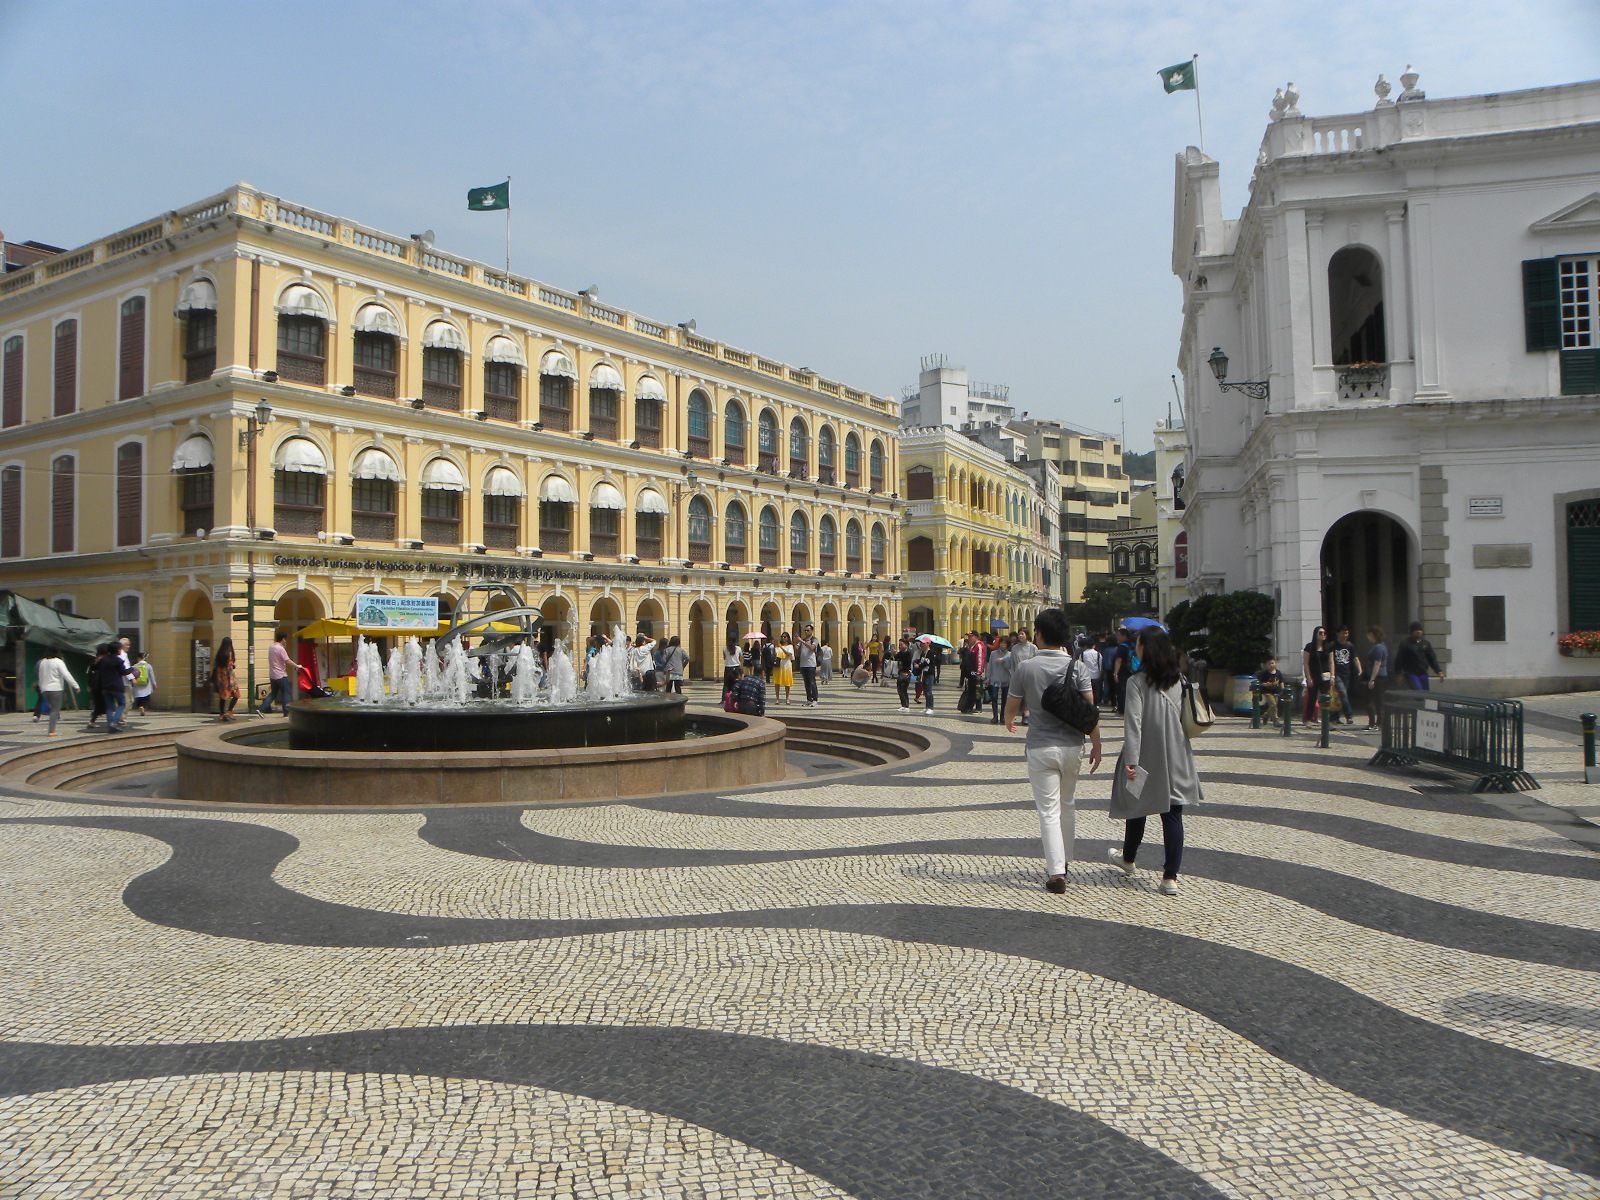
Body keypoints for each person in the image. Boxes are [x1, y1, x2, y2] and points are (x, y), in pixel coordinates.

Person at [1005, 608, 1101, 895]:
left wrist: (1009, 721)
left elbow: (1011, 707)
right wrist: (1097, 744)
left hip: (1041, 746)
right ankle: (1065, 859)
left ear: (1040, 634)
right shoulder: (1078, 667)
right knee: (1067, 803)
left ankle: (1056, 871)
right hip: (1073, 746)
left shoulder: (1026, 668)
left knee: (1048, 811)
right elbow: (1089, 711)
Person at [1107, 628, 1203, 897]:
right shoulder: (1180, 679)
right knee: (1172, 813)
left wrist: (1131, 760)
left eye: (1138, 644)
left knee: (1136, 806)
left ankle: (1128, 858)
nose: (1136, 648)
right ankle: (1170, 877)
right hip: (1177, 754)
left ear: (1145, 650)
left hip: (1145, 755)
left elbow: (1133, 724)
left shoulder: (1136, 682)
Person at [35, 649, 79, 738]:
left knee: (52, 710)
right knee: (55, 711)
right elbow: (66, 674)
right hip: (56, 689)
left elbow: (40, 676)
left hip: (45, 690)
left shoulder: (42, 662)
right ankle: (52, 731)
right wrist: (76, 685)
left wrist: (41, 688)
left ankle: (50, 728)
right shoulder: (58, 661)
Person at [1393, 621, 1445, 691]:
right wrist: (1398, 673)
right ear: (1412, 632)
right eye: (1416, 630)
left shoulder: (1426, 644)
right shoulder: (1405, 644)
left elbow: (1432, 658)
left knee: (1425, 692)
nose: (1418, 632)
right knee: (1418, 690)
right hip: (1411, 673)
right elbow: (1399, 659)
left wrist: (1439, 671)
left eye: (1420, 630)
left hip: (1423, 673)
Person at [95, 641, 134, 733]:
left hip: (105, 686)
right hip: (117, 686)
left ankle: (110, 726)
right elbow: (124, 672)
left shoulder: (103, 660)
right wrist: (132, 669)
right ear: (117, 650)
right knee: (122, 704)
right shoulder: (118, 660)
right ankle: (114, 723)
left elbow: (96, 668)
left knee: (109, 707)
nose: (121, 650)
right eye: (120, 649)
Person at [1300, 625, 1332, 727]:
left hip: (1326, 675)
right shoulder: (1309, 647)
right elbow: (1306, 663)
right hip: (1313, 675)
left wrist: (1333, 676)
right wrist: (1308, 678)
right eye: (1320, 633)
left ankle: (1326, 719)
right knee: (1312, 697)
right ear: (1315, 634)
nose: (1323, 635)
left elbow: (1331, 662)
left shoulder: (1328, 647)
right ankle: (1308, 719)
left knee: (1326, 697)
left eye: (1324, 633)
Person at [1330, 626, 1362, 726]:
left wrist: (1360, 670)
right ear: (1338, 634)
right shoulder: (1333, 645)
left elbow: (1355, 658)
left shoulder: (1350, 646)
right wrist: (1332, 675)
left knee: (1340, 696)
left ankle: (1334, 717)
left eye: (1346, 633)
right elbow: (1330, 660)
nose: (1345, 635)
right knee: (1343, 693)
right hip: (1337, 674)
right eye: (1343, 633)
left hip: (1347, 674)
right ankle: (1349, 715)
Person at [258, 631, 293, 714]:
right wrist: (297, 666)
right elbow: (287, 660)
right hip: (281, 675)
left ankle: (261, 709)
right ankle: (287, 712)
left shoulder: (271, 647)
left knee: (273, 694)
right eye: (285, 639)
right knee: (286, 693)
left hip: (273, 676)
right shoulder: (281, 648)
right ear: (283, 639)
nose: (286, 641)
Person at [1364, 626, 1389, 730]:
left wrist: (1372, 679)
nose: (1368, 637)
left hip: (1377, 677)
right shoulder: (1380, 646)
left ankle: (1375, 723)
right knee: (1377, 700)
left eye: (1369, 635)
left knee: (1373, 700)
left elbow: (1377, 663)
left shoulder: (1378, 648)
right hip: (1379, 677)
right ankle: (1376, 722)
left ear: (1373, 635)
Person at [985, 635, 1013, 725]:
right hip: (995, 678)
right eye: (1001, 643)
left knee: (1004, 699)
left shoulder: (1010, 655)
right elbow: (990, 666)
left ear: (1007, 645)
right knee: (994, 697)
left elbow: (1010, 668)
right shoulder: (993, 653)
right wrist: (988, 678)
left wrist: (1003, 661)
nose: (1002, 645)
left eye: (1004, 643)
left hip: (1005, 679)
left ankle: (1002, 716)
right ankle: (995, 716)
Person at [212, 637, 240, 721]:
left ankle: (221, 714)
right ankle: (229, 711)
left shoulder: (219, 653)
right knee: (236, 695)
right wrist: (232, 666)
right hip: (229, 678)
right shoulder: (229, 653)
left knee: (223, 697)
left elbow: (217, 666)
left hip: (221, 678)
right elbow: (230, 667)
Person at [796, 624, 820, 707]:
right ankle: (809, 699)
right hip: (803, 664)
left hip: (811, 664)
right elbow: (796, 648)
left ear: (812, 631)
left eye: (808, 630)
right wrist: (796, 642)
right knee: (806, 683)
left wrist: (802, 641)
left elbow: (812, 648)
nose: (806, 632)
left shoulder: (814, 640)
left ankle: (815, 700)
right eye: (805, 630)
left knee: (812, 682)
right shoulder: (802, 640)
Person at [1257, 656, 1285, 726]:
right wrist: (1265, 684)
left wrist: (1283, 690)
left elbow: (1281, 682)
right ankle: (1275, 720)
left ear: (1275, 664)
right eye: (1269, 664)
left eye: (1272, 663)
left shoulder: (1278, 673)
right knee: (1273, 705)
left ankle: (1265, 716)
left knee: (1273, 706)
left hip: (1276, 692)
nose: (1271, 665)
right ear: (1266, 665)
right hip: (1267, 692)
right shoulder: (1265, 673)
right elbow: (1261, 683)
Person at [912, 638, 937, 714]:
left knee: (929, 691)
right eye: (921, 643)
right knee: (925, 691)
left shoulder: (931, 653)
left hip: (929, 674)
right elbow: (921, 660)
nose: (921, 645)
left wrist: (919, 666)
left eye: (923, 643)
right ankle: (927, 707)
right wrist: (917, 662)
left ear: (928, 644)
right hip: (923, 674)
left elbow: (927, 662)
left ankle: (930, 708)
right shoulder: (923, 653)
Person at [85, 646, 107, 728]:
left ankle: (93, 719)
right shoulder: (103, 661)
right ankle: (93, 720)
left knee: (98, 704)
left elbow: (89, 674)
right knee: (102, 704)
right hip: (101, 685)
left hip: (94, 685)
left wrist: (89, 685)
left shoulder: (93, 661)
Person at [1079, 635, 1103, 708]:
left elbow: (1080, 665)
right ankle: (1096, 705)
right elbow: (1100, 665)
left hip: (1085, 676)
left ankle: (1088, 705)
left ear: (1086, 645)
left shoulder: (1082, 654)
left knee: (1086, 691)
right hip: (1096, 675)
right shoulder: (1098, 654)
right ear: (1094, 645)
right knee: (1096, 691)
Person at [130, 651, 156, 716]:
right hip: (146, 685)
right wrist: (154, 684)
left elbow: (131, 676)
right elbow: (152, 676)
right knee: (146, 697)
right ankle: (144, 707)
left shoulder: (134, 666)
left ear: (138, 658)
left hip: (137, 685)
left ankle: (140, 706)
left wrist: (132, 683)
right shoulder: (148, 666)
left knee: (139, 697)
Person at [772, 631, 795, 703]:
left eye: (785, 637)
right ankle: (777, 698)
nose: (783, 638)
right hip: (778, 665)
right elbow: (775, 655)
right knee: (777, 683)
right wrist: (774, 647)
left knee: (787, 683)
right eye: (782, 637)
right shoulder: (777, 647)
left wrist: (781, 647)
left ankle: (787, 698)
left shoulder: (790, 646)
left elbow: (789, 654)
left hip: (786, 665)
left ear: (788, 638)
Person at [893, 637, 914, 711]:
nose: (900, 646)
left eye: (901, 644)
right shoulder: (900, 653)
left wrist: (898, 656)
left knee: (904, 690)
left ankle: (906, 706)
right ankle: (903, 705)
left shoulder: (909, 653)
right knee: (899, 690)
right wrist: (893, 654)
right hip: (900, 673)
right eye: (899, 645)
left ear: (906, 645)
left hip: (906, 673)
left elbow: (906, 660)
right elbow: (894, 658)